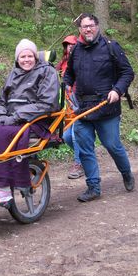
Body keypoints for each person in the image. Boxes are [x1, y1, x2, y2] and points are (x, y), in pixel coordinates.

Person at [0, 39, 60, 205]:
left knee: (3, 136)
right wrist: (0, 114)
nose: (26, 59)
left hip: (36, 120)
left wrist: (15, 117)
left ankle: (3, 189)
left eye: (30, 55)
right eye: (22, 56)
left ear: (36, 57)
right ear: (17, 59)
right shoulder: (13, 74)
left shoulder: (47, 72)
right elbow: (1, 100)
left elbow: (47, 103)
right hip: (11, 120)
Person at [63, 13, 135, 202]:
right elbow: (69, 74)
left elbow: (127, 72)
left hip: (106, 109)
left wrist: (118, 90)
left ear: (97, 26)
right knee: (85, 149)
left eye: (91, 26)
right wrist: (67, 85)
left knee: (112, 145)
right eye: (84, 26)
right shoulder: (76, 50)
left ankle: (126, 173)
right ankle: (93, 186)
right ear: (80, 29)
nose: (88, 29)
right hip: (82, 110)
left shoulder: (111, 47)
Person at [57, 35, 84, 179]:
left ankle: (79, 164)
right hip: (67, 104)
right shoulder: (62, 63)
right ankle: (86, 156)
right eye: (67, 45)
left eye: (73, 44)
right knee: (67, 136)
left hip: (79, 101)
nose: (70, 47)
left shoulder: (81, 60)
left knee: (75, 136)